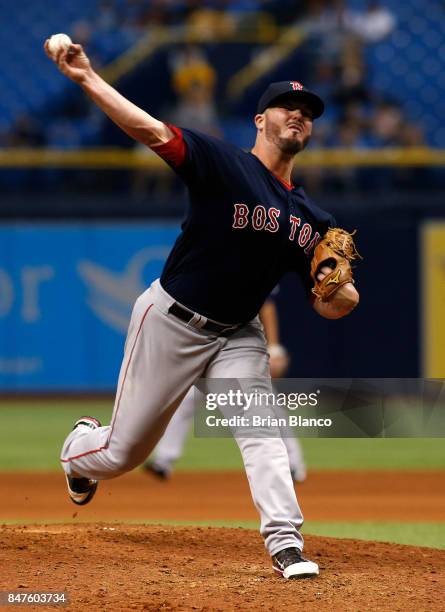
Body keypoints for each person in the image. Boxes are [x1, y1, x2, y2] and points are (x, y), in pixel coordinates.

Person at [45, 38, 359, 580]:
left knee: (260, 431)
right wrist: (87, 79)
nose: (300, 117)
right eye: (290, 108)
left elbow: (335, 306)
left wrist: (336, 289)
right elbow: (151, 131)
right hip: (171, 320)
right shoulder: (224, 164)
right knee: (123, 454)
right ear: (261, 120)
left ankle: (286, 543)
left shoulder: (313, 218)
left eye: (308, 113)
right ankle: (77, 448)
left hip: (239, 333)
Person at [144, 295, 307, 482]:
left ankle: (293, 462)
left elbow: (266, 305)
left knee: (266, 404)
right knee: (187, 399)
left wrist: (275, 347)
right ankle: (164, 460)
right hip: (210, 344)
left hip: (243, 345)